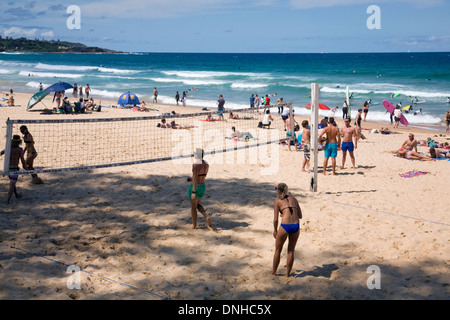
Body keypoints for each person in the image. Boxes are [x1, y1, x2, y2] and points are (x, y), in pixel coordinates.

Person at [272, 183, 302, 277]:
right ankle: (287, 274)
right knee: (291, 251)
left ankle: (274, 273)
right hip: (296, 226)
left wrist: (275, 230)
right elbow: (300, 216)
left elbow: (276, 219)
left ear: (278, 191)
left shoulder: (277, 201)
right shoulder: (294, 199)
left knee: (278, 250)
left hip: (285, 225)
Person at [187, 149, 213, 230]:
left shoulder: (195, 164)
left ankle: (194, 226)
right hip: (202, 186)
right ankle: (206, 216)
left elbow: (195, 178)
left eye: (194, 153)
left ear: (197, 155)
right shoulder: (206, 164)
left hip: (195, 187)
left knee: (193, 207)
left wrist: (193, 191)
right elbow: (201, 176)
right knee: (197, 204)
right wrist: (191, 179)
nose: (194, 154)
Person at [0, 135, 28, 204]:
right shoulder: (20, 149)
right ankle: (8, 201)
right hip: (15, 170)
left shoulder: (8, 148)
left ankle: (16, 195)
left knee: (13, 183)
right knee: (12, 185)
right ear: (19, 142)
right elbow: (22, 159)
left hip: (7, 169)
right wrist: (26, 168)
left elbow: (1, 153)